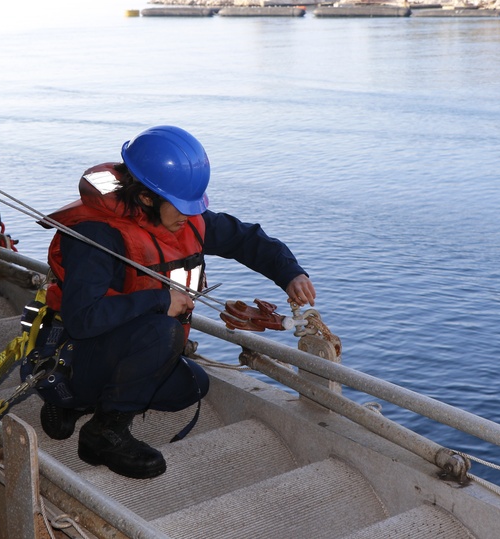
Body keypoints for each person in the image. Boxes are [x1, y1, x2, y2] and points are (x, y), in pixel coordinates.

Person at [26, 125, 315, 479]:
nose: (187, 214)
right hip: (79, 349)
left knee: (192, 386)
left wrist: (290, 274)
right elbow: (82, 318)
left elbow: (245, 239)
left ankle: (79, 404)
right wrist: (160, 300)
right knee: (162, 333)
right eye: (179, 205)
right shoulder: (97, 235)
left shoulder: (185, 220)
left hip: (123, 347)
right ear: (146, 197)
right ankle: (102, 431)